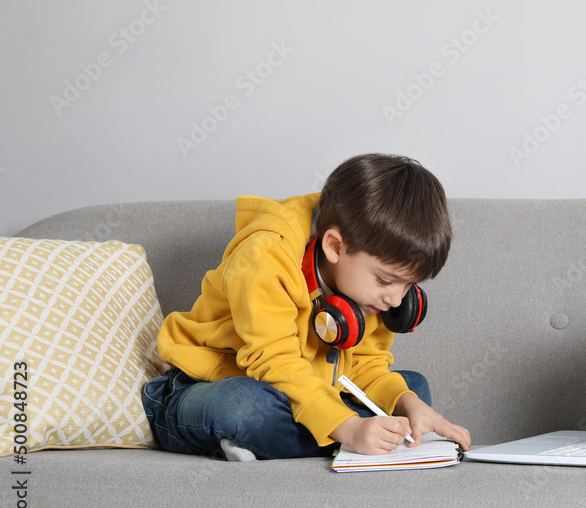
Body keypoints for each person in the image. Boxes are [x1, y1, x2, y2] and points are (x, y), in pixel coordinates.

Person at [141, 153, 471, 461]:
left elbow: (367, 366)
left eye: (409, 286)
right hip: (208, 387)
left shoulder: (371, 295)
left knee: (414, 388)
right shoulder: (266, 257)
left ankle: (293, 438)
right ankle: (337, 435)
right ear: (335, 246)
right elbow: (276, 363)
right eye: (385, 281)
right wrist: (349, 428)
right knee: (245, 407)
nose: (396, 301)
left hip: (309, 390)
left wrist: (408, 405)